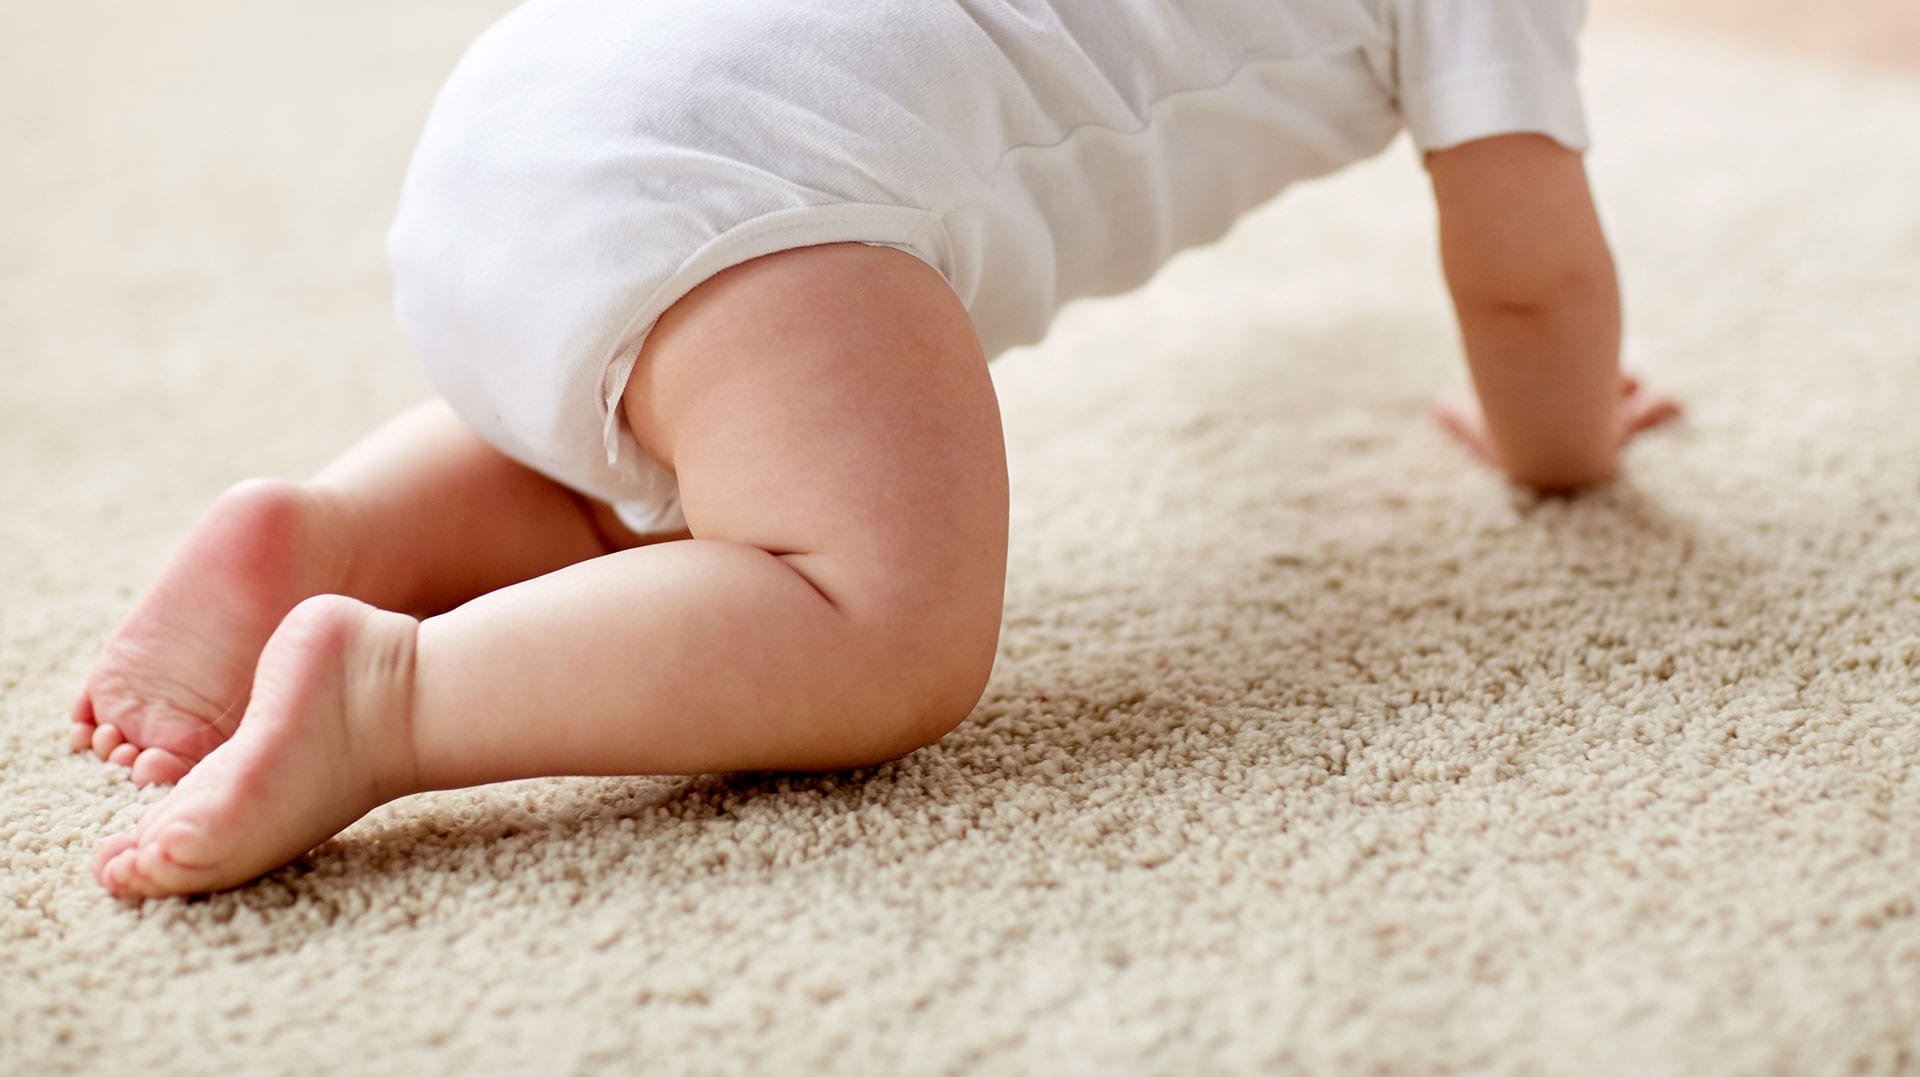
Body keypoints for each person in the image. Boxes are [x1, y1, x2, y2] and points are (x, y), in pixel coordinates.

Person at [74, 0, 1680, 898]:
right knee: (873, 612)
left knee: (663, 454)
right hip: (752, 187)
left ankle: (329, 530)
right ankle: (389, 695)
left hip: (536, 98)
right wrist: (1560, 447)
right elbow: (1529, 270)